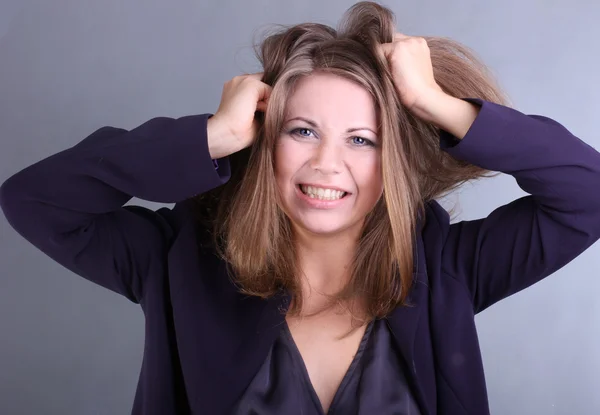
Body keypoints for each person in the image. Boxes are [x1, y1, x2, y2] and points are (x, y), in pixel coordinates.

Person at [1, 1, 599, 414]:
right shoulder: (176, 258)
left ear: (390, 162)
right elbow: (35, 199)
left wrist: (434, 102)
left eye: (361, 140)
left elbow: (587, 193)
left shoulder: (449, 269)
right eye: (303, 132)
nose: (326, 165)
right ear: (264, 140)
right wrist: (207, 137)